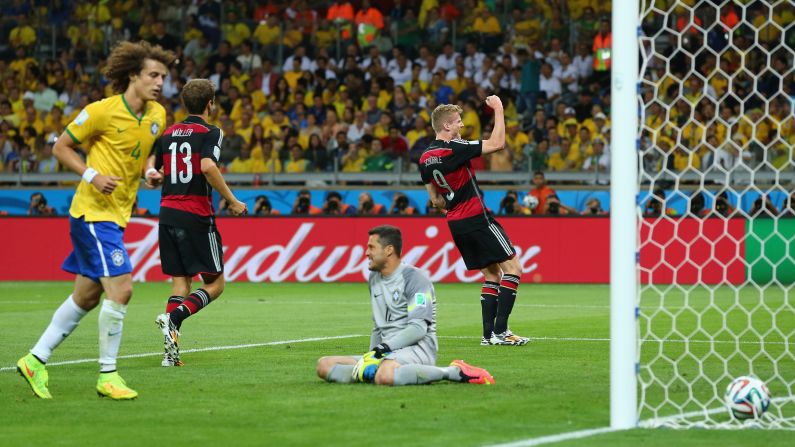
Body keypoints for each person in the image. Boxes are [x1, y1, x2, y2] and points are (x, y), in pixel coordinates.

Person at [16, 41, 175, 400]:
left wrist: (150, 172)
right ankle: (108, 375)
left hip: (117, 215)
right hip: (92, 213)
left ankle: (34, 360)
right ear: (132, 75)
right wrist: (92, 176)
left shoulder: (157, 115)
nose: (159, 82)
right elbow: (61, 147)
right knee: (122, 290)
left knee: (86, 297)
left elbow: (146, 153)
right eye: (152, 75)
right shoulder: (101, 112)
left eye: (163, 76)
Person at [316, 225, 495, 386]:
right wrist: (370, 355)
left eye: (371, 247)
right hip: (386, 352)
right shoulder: (374, 278)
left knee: (384, 376)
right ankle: (384, 371)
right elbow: (378, 326)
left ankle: (452, 372)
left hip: (417, 349)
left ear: (388, 250)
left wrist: (382, 349)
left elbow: (418, 329)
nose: (366, 253)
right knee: (325, 365)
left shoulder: (415, 279)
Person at [418, 97, 529, 346]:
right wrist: (499, 109)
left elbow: (435, 200)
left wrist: (452, 200)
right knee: (513, 269)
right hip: (477, 216)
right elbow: (498, 143)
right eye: (458, 122)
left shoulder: (425, 158)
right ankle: (502, 331)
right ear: (446, 126)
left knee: (491, 275)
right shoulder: (454, 148)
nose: (461, 125)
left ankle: (488, 336)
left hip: (456, 223)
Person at [152, 79, 248, 367]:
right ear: (211, 103)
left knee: (181, 282)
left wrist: (154, 177)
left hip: (167, 213)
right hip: (195, 216)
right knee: (216, 283)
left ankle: (170, 352)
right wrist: (231, 199)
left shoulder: (168, 134)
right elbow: (208, 166)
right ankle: (175, 317)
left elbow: (155, 173)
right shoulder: (210, 132)